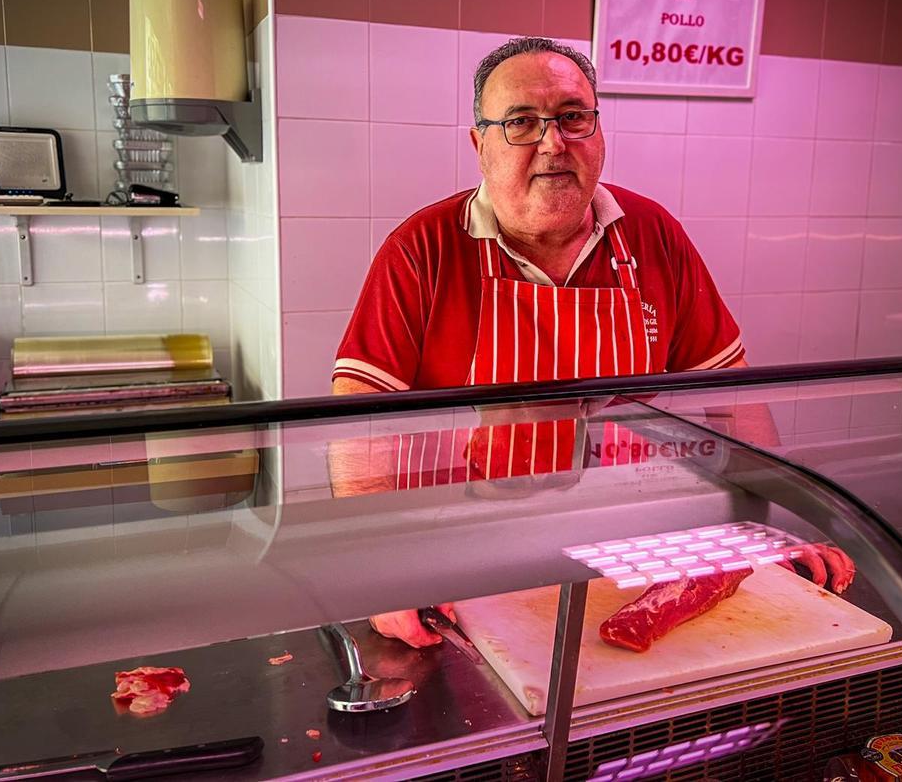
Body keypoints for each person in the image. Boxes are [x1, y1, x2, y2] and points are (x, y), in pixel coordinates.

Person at [329, 36, 776, 647]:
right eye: (520, 122)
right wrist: (383, 572)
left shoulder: (652, 235)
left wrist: (772, 519)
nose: (552, 142)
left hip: (618, 547)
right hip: (454, 566)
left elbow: (731, 396)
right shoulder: (424, 246)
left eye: (572, 117)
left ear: (598, 130)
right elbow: (361, 420)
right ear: (478, 142)